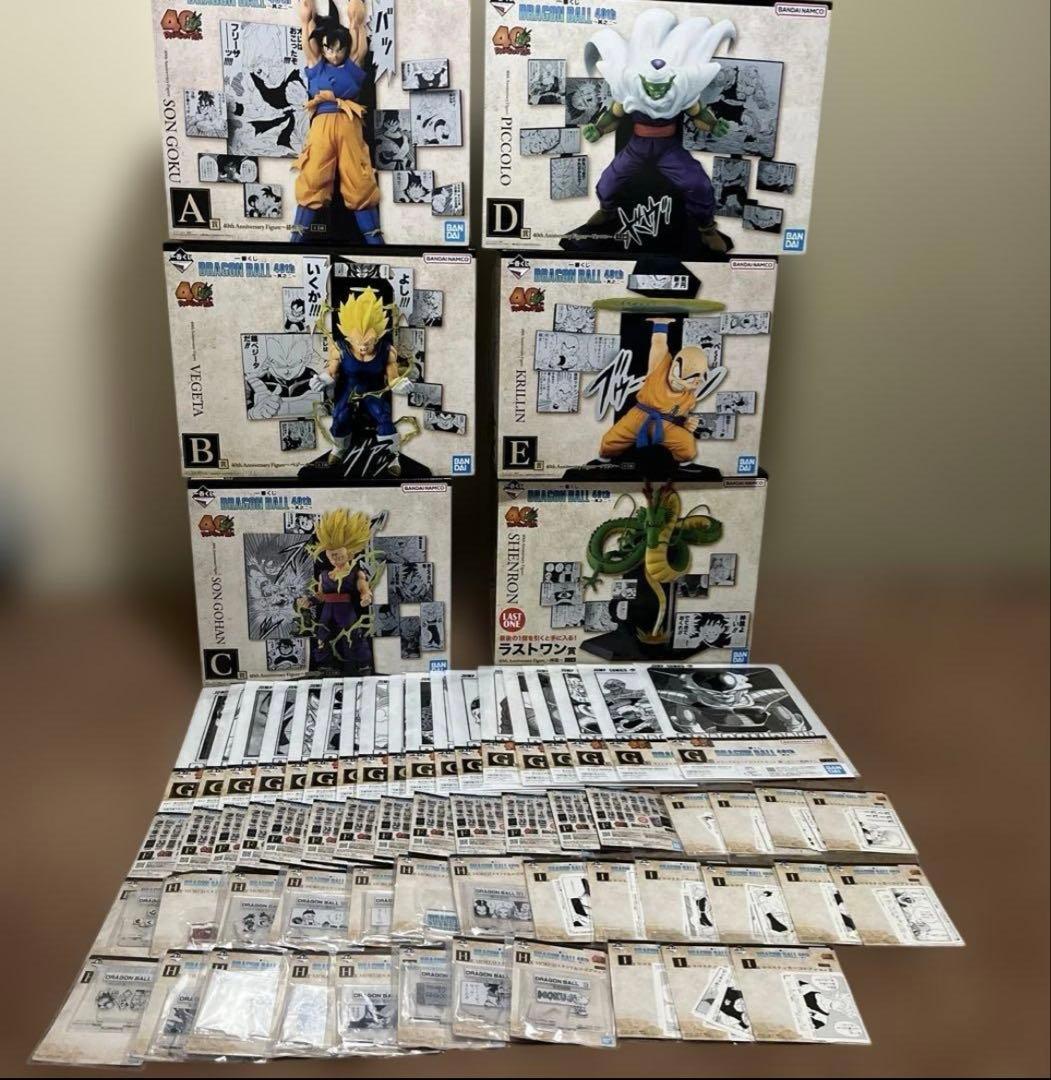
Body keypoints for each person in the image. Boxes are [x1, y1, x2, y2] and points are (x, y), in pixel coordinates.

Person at [292, 0, 382, 244]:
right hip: (321, 126)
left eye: (338, 49)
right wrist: (306, 17)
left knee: (359, 178)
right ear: (322, 49)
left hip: (348, 123)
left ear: (345, 48)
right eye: (329, 50)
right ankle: (296, 238)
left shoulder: (352, 66)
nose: (334, 54)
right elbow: (307, 38)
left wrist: (356, 13)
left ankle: (374, 240)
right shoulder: (317, 66)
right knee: (313, 176)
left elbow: (357, 30)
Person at [598, 318, 709, 464]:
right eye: (677, 372)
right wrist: (661, 325)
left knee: (688, 449)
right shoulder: (660, 370)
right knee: (608, 443)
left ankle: (669, 465)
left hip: (666, 425)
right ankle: (607, 460)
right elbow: (659, 346)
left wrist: (686, 424)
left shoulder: (689, 397)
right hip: (638, 417)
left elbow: (681, 416)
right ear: (674, 365)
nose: (677, 382)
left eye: (691, 380)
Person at [296, 508, 376, 675]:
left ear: (350, 554)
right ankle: (326, 665)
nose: (335, 559)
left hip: (345, 609)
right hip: (327, 610)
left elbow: (363, 586)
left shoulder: (355, 572)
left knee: (353, 635)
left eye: (338, 556)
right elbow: (320, 595)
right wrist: (309, 601)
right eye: (331, 556)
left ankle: (362, 664)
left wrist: (366, 595)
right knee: (322, 637)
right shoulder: (325, 575)